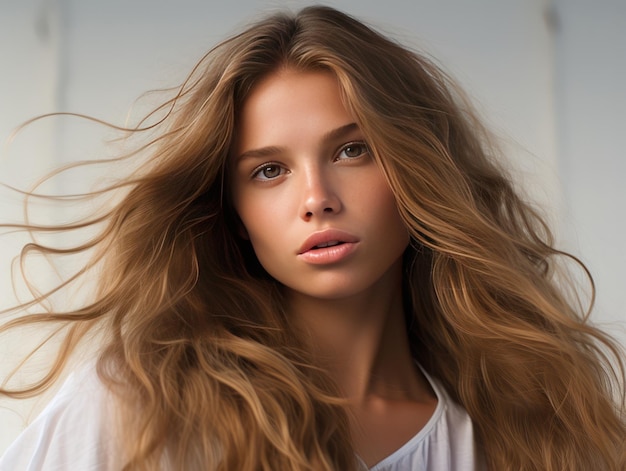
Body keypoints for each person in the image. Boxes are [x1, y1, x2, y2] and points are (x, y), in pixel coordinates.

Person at [0, 5, 624, 471]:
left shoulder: (528, 436)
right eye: (269, 171)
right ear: (232, 212)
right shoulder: (138, 407)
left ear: (419, 170)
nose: (316, 197)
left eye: (352, 150)